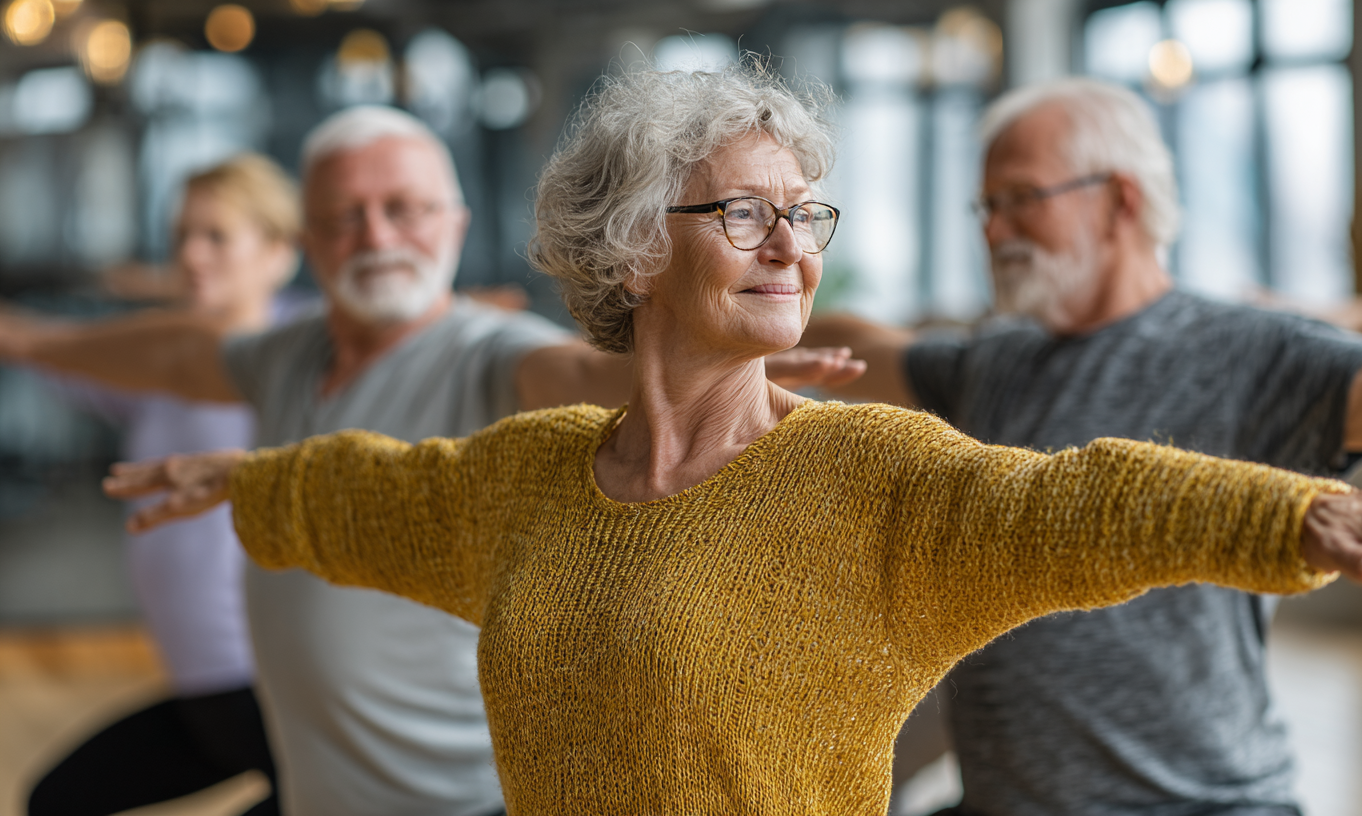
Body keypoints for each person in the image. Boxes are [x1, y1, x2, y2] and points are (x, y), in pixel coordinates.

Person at [103, 66, 1362, 816]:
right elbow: (380, 493)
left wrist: (1288, 514)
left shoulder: (871, 477)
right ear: (635, 248)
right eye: (746, 215)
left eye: (805, 217)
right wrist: (245, 478)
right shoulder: (528, 474)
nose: (791, 247)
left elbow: (1075, 501)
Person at [0, 103, 861, 816]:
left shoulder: (487, 351)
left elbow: (574, 372)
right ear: (310, 238)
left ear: (455, 223)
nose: (378, 235)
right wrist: (26, 339)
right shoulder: (286, 353)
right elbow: (174, 354)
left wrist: (717, 359)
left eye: (406, 209)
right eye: (348, 216)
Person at [800, 77, 1362, 816]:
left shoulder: (1251, 350)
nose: (993, 230)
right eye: (987, 206)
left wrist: (1342, 313)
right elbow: (860, 348)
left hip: (1200, 805)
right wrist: (747, 324)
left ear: (1120, 199)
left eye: (1021, 198)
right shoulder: (996, 360)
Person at [0, 153, 300, 816]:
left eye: (217, 236)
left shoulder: (294, 358)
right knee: (57, 801)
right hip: (205, 694)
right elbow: (58, 355)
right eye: (183, 237)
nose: (191, 255)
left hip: (271, 688)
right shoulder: (158, 368)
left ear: (280, 253)